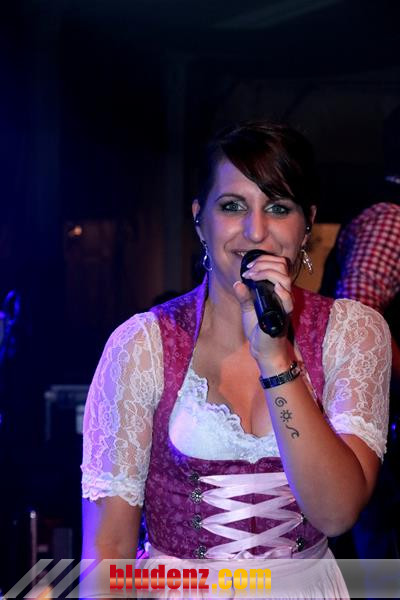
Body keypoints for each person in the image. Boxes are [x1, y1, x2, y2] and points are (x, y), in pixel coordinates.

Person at [81, 122, 391, 598]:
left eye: (278, 207)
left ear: (307, 224)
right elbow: (109, 547)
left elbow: (336, 513)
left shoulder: (352, 332)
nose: (256, 230)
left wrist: (275, 358)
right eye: (232, 206)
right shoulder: (142, 344)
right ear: (199, 219)